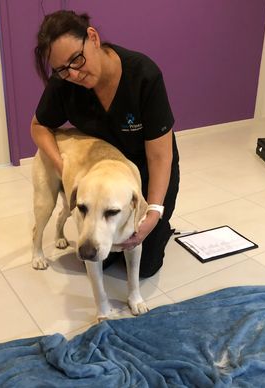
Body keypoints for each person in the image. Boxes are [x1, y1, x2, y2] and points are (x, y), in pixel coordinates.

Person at [31, 10, 180, 278]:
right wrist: (61, 164)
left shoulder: (144, 75)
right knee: (100, 257)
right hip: (100, 172)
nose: (73, 74)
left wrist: (154, 212)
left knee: (145, 265)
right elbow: (38, 127)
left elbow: (160, 158)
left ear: (93, 37)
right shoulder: (63, 83)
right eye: (62, 69)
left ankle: (163, 228)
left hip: (148, 168)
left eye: (76, 59)